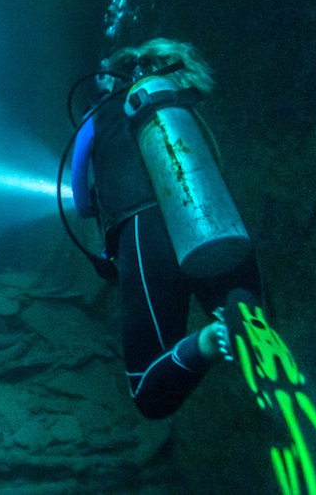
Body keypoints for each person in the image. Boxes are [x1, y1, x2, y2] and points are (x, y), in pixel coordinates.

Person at [70, 38, 264, 419]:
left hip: (143, 230)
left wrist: (102, 211)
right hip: (208, 212)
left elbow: (80, 201)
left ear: (112, 78)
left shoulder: (97, 115)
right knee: (244, 310)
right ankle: (240, 309)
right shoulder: (177, 99)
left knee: (147, 390)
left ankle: (208, 343)